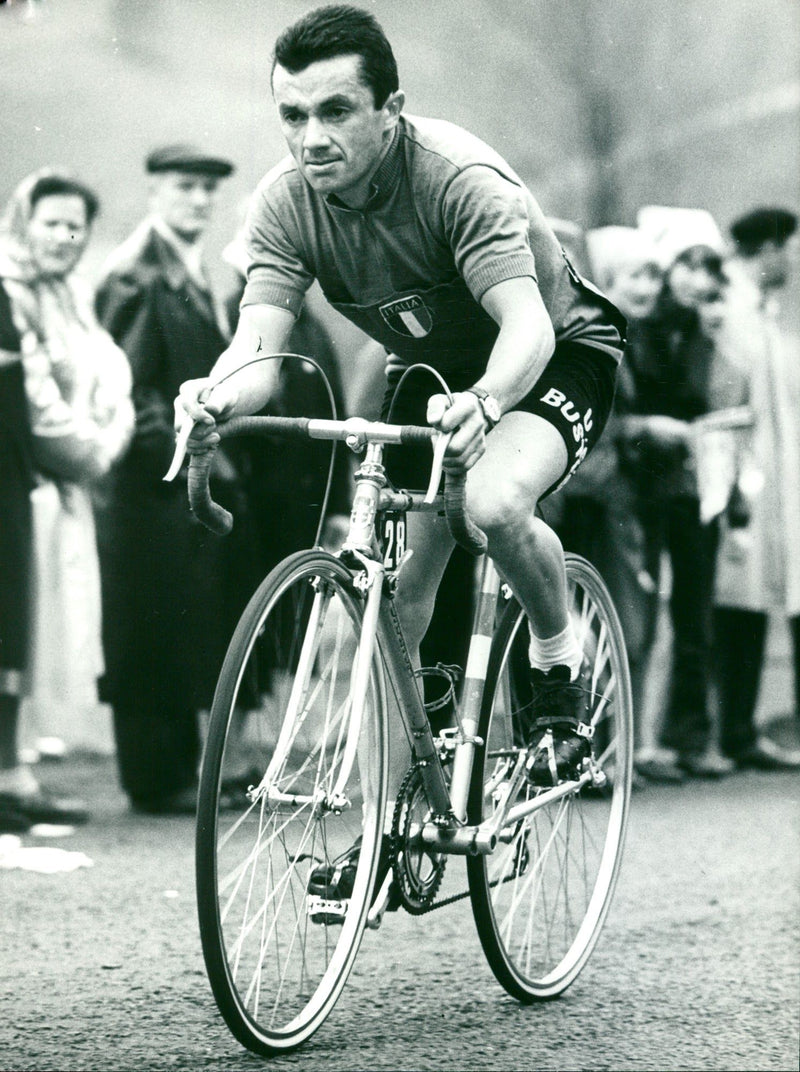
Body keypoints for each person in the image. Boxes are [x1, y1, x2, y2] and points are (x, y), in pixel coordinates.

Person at [174, 6, 626, 894]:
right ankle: (399, 813)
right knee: (396, 604)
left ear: (393, 108)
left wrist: (490, 402)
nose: (312, 137)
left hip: (546, 355)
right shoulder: (283, 202)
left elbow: (526, 323)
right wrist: (214, 395)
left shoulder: (458, 178)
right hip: (426, 368)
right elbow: (259, 347)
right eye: (293, 116)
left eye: (336, 111)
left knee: (491, 504)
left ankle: (556, 657)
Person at [95, 144, 258, 815]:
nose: (199, 201)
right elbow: (124, 390)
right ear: (156, 191)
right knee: (150, 627)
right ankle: (155, 779)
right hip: (149, 486)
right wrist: (185, 453)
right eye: (186, 187)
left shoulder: (181, 273)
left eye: (207, 191)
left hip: (177, 485)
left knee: (176, 625)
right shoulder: (137, 276)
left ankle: (176, 773)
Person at [0, 170, 133, 829]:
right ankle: (10, 770)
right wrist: (96, 451)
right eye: (50, 221)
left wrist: (109, 432)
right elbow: (35, 404)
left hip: (62, 489)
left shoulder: (72, 296)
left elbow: (113, 382)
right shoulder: (11, 293)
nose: (63, 235)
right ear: (23, 222)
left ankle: (15, 771)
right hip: (33, 478)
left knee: (38, 635)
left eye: (75, 225)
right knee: (16, 629)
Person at [617, 206, 747, 778]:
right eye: (688, 266)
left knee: (695, 615)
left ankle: (689, 736)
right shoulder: (635, 324)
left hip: (695, 484)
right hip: (642, 483)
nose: (698, 279)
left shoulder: (700, 332)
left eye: (708, 268)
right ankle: (629, 744)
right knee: (635, 616)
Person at [563, 224, 684, 784]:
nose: (649, 287)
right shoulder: (586, 331)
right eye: (635, 274)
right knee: (577, 630)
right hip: (575, 499)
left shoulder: (624, 335)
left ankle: (614, 753)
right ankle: (587, 757)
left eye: (654, 276)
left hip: (610, 498)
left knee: (621, 626)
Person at [713, 207, 800, 769]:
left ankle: (743, 732)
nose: (791, 260)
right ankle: (733, 732)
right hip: (743, 480)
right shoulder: (733, 315)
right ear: (767, 247)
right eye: (788, 247)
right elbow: (727, 406)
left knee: (757, 597)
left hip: (775, 479)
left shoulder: (763, 316)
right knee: (734, 599)